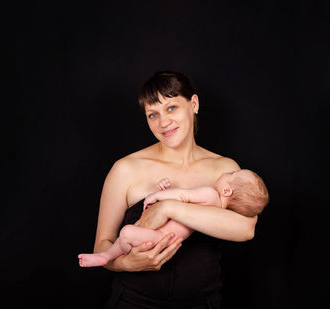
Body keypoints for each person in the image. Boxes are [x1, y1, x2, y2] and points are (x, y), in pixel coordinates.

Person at [90, 71, 261, 308]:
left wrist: (170, 208)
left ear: (194, 104)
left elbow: (246, 229)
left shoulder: (225, 169)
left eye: (171, 108)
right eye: (153, 114)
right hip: (133, 302)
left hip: (203, 303)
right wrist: (127, 263)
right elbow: (102, 244)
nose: (163, 122)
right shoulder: (125, 169)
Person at [78, 169, 268, 267]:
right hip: (165, 243)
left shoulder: (211, 194)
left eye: (232, 174)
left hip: (160, 238)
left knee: (126, 233)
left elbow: (183, 196)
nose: (227, 172)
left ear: (227, 190)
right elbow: (186, 206)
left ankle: (107, 256)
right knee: (128, 236)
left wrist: (157, 196)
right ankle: (106, 256)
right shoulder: (219, 210)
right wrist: (166, 191)